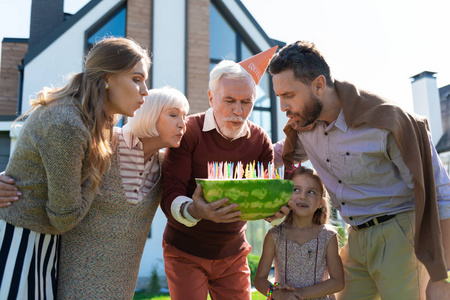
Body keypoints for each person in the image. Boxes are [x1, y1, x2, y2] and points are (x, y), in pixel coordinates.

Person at [270, 40, 450, 299]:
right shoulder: (305, 128)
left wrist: (441, 275)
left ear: (319, 85)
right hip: (354, 237)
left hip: (401, 234)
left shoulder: (387, 122)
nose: (283, 106)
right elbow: (273, 153)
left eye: (289, 95)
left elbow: (440, 192)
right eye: (279, 97)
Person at [0, 86, 189, 299]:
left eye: (185, 116)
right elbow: (48, 169)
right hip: (70, 275)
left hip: (121, 283)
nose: (183, 123)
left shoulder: (166, 165)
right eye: (173, 115)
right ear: (149, 113)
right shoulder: (104, 143)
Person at [0, 37, 150, 299]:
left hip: (42, 244)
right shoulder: (67, 123)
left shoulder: (92, 120)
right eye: (137, 79)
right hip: (19, 244)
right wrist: (100, 168)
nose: (145, 91)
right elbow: (64, 216)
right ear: (107, 78)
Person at [161, 46, 284, 300]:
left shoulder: (260, 140)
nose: (238, 111)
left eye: (246, 102)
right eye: (229, 101)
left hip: (233, 253)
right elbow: (169, 193)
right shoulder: (190, 132)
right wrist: (195, 210)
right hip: (184, 251)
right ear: (211, 98)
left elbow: (265, 193)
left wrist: (276, 212)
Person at [254, 166, 344, 300]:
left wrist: (299, 294)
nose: (302, 196)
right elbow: (259, 280)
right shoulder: (274, 236)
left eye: (311, 192)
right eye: (296, 190)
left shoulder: (328, 236)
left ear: (321, 203)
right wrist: (277, 294)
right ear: (286, 195)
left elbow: (338, 282)